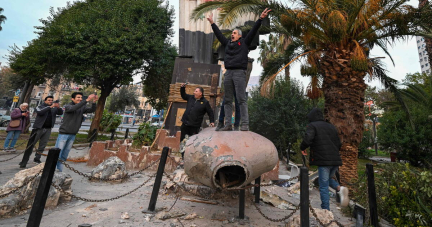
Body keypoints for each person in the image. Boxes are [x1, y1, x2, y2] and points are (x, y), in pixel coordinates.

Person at [208, 8, 271, 131]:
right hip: (229, 73)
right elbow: (219, 34)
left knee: (241, 99)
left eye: (235, 33)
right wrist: (212, 22)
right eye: (232, 33)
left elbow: (253, 31)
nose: (232, 34)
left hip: (239, 73)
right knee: (227, 100)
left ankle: (245, 124)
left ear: (240, 36)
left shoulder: (244, 43)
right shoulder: (227, 44)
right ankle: (227, 125)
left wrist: (260, 19)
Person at [300, 108, 349, 210]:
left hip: (324, 161)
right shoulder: (331, 127)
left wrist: (302, 148)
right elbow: (338, 143)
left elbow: (308, 139)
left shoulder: (312, 126)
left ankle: (325, 210)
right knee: (327, 180)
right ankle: (340, 188)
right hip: (335, 159)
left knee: (323, 186)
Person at [56, 92, 97, 171]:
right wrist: (86, 100)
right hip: (64, 134)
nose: (80, 99)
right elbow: (73, 108)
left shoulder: (81, 107)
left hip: (73, 134)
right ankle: (53, 170)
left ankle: (59, 171)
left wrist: (94, 102)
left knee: (64, 155)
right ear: (72, 99)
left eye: (81, 97)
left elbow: (91, 110)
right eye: (78, 97)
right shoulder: (68, 106)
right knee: (58, 153)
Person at [19, 96, 63, 168]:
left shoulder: (53, 108)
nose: (50, 101)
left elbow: (60, 113)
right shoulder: (40, 106)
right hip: (38, 128)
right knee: (31, 145)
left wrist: (58, 107)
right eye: (49, 100)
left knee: (42, 145)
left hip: (48, 129)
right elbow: (40, 112)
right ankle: (24, 161)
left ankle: (37, 158)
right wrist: (50, 107)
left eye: (51, 100)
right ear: (45, 101)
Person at [180, 83, 215, 157]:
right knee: (183, 141)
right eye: (194, 91)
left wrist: (212, 121)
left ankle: (190, 157)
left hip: (194, 126)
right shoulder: (191, 98)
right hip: (185, 124)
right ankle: (183, 157)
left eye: (196, 91)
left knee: (192, 142)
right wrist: (182, 88)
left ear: (200, 93)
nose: (194, 92)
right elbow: (184, 96)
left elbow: (210, 112)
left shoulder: (205, 102)